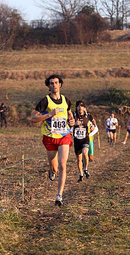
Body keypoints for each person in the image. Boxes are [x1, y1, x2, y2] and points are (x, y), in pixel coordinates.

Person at [30, 74, 75, 206]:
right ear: (48, 86)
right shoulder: (45, 101)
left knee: (62, 164)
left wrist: (71, 121)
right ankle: (51, 170)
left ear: (60, 84)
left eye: (56, 82)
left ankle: (59, 195)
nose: (54, 85)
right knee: (54, 167)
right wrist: (49, 114)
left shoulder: (66, 100)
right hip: (49, 137)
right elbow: (33, 119)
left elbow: (69, 113)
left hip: (64, 136)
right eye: (51, 83)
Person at [72, 101, 98, 182]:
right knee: (79, 159)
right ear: (76, 107)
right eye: (78, 106)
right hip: (77, 139)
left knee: (85, 153)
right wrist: (74, 124)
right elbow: (68, 124)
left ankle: (85, 169)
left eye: (82, 106)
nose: (80, 108)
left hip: (85, 138)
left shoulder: (88, 115)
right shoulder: (73, 115)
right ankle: (81, 174)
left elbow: (94, 122)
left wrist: (93, 126)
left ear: (84, 108)